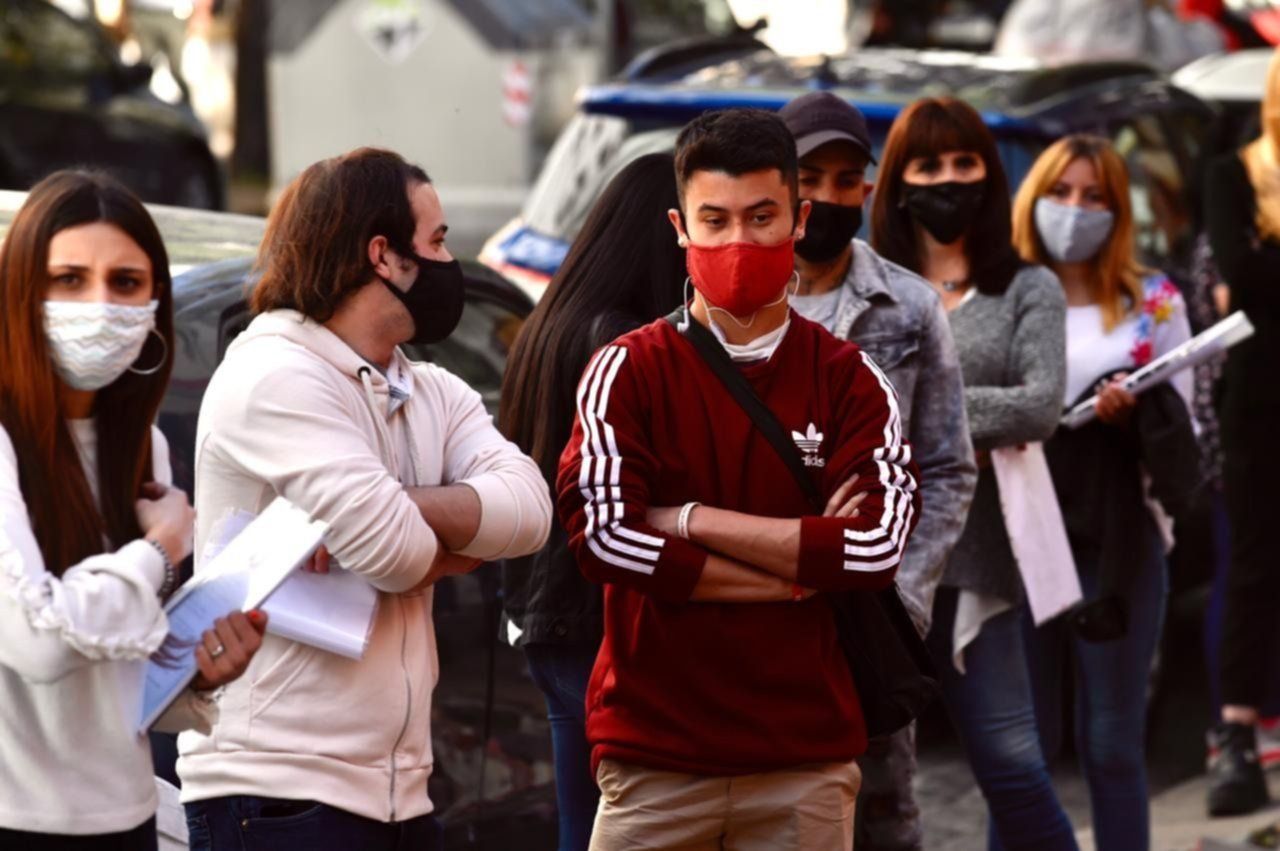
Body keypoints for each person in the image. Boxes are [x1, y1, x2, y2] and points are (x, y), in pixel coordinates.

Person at [556, 108, 921, 851]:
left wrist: (687, 519)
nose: (738, 244)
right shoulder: (627, 370)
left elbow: (875, 548)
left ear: (799, 219)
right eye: (714, 221)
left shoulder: (849, 379)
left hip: (805, 763)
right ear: (679, 228)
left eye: (761, 218)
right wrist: (794, 573)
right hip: (654, 760)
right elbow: (602, 538)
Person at [177, 147, 553, 849]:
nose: (450, 262)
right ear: (384, 256)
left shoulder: (430, 387)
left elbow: (531, 512)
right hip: (278, 791)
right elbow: (400, 557)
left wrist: (399, 500)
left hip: (397, 790)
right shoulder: (275, 373)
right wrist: (460, 540)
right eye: (437, 241)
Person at [0, 170, 264, 849]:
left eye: (125, 282)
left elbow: (112, 671)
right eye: (68, 279)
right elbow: (37, 643)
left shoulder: (142, 446)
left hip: (127, 813)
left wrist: (195, 672)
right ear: (20, 292)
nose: (99, 305)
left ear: (154, 303)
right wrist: (157, 552)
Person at [870, 98, 1075, 851]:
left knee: (1012, 765)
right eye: (929, 166)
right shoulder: (872, 287)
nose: (949, 180)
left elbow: (1040, 407)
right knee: (871, 782)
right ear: (898, 182)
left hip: (978, 561)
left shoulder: (1029, 288)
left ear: (990, 176)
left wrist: (916, 411)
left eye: (965, 163)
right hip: (874, 563)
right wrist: (961, 420)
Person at [779, 90, 978, 851]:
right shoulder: (732, 304)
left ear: (867, 188)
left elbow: (947, 466)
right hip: (763, 614)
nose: (829, 198)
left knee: (885, 815)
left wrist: (906, 595)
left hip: (873, 619)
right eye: (810, 178)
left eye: (845, 179)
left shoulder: (910, 305)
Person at [1011, 134, 1198, 851]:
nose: (1075, 209)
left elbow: (1184, 432)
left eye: (1095, 197)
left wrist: (1135, 412)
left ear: (1120, 210)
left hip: (1120, 540)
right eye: (1061, 192)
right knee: (1021, 753)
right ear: (1035, 198)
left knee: (1113, 743)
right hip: (1019, 534)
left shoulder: (1154, 302)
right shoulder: (1001, 293)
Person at [499, 152, 687, 851]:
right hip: (599, 617)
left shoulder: (553, 322)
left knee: (585, 823)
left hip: (548, 612)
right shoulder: (620, 340)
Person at [1204, 46, 1280, 819]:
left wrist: (1261, 273)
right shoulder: (1234, 174)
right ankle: (1236, 735)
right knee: (1255, 565)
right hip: (1260, 403)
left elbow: (1256, 280)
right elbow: (1239, 274)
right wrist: (1252, 277)